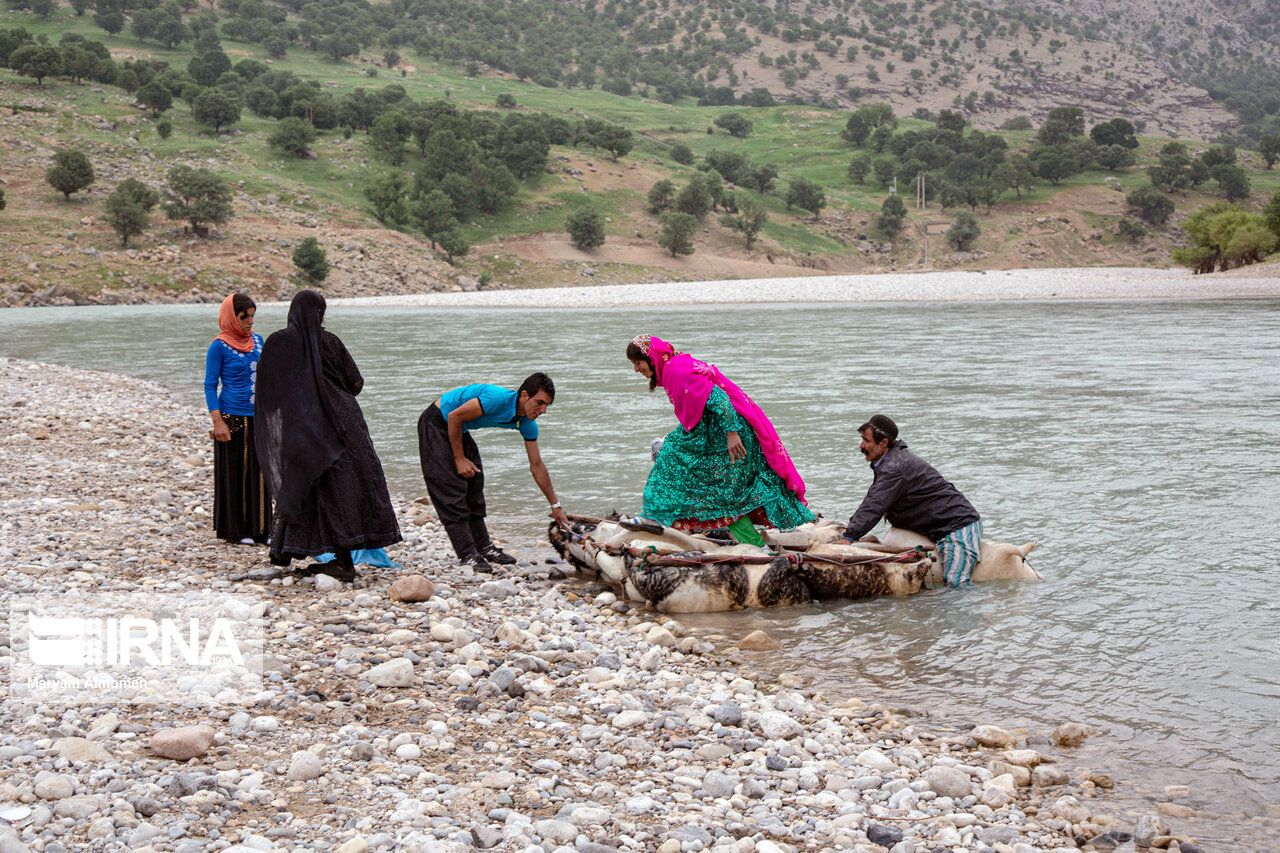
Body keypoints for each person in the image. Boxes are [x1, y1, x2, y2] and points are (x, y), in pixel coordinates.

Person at [254, 290, 401, 581]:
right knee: (342, 489)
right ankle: (341, 559)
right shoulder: (330, 341)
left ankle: (286, 553)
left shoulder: (280, 342)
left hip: (305, 424)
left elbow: (268, 390)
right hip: (346, 423)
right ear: (319, 314)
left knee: (303, 484)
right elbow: (355, 383)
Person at [625, 334, 813, 546]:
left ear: (651, 358)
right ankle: (754, 545)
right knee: (722, 491)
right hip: (717, 431)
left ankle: (654, 517)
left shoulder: (676, 371)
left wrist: (732, 433)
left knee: (708, 484)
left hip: (729, 434)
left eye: (637, 363)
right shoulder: (672, 367)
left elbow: (720, 399)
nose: (636, 369)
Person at [417, 374, 569, 571]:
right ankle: (467, 554)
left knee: (475, 482)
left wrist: (555, 506)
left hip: (458, 428)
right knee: (450, 489)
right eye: (539, 403)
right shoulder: (496, 399)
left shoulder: (527, 423)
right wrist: (459, 458)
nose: (543, 410)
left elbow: (537, 465)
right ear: (524, 396)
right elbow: (454, 416)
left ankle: (484, 547)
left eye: (546, 405)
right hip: (437, 421)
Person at [841, 414, 982, 587]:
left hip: (957, 526)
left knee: (955, 583)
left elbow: (874, 506)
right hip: (933, 527)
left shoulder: (895, 467)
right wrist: (851, 532)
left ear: (883, 443)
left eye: (866, 441)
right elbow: (871, 500)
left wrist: (848, 537)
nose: (861, 446)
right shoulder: (887, 463)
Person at [204, 292, 270, 545]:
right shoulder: (218, 346)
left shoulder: (258, 341)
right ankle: (237, 530)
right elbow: (210, 385)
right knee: (236, 474)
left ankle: (262, 529)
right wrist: (217, 422)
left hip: (259, 417)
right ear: (232, 317)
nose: (250, 322)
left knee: (261, 472)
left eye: (252, 316)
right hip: (232, 417)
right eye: (244, 317)